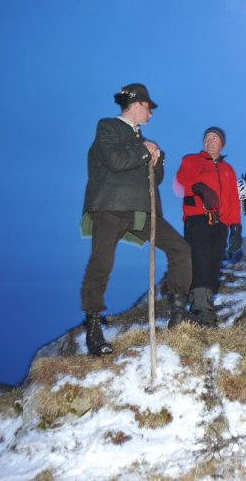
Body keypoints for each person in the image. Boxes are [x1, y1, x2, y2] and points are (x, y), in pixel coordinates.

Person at [80, 83, 192, 356]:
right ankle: (93, 329)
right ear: (138, 105)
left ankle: (177, 317)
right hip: (110, 207)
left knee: (181, 249)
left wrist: (157, 159)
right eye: (149, 109)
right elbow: (116, 160)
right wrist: (145, 151)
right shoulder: (108, 127)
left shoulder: (142, 139)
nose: (151, 115)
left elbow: (158, 180)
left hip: (142, 212)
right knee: (101, 262)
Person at [174, 126, 242, 325]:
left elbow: (232, 201)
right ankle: (203, 310)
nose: (209, 141)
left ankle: (202, 308)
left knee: (213, 264)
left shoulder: (228, 170)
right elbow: (179, 184)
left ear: (222, 144)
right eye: (206, 138)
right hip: (197, 219)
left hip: (220, 224)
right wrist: (197, 187)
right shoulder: (191, 160)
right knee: (200, 262)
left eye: (214, 138)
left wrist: (236, 227)